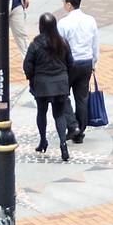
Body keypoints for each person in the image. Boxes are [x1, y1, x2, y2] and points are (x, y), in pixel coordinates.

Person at [23, 12, 74, 160]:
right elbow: (70, 63)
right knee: (59, 114)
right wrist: (66, 79)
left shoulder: (35, 45)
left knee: (41, 112)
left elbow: (27, 65)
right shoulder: (62, 42)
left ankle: (43, 141)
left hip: (42, 85)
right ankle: (63, 144)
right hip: (60, 84)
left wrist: (31, 78)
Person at [59, 0, 100, 142]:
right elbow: (95, 43)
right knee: (82, 98)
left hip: (70, 63)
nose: (63, 4)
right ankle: (80, 132)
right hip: (87, 62)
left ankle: (73, 125)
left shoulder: (63, 23)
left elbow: (59, 46)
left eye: (63, 2)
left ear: (69, 4)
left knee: (62, 95)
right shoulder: (90, 20)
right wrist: (94, 61)